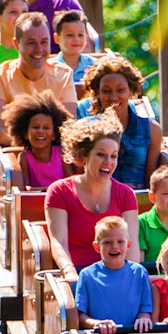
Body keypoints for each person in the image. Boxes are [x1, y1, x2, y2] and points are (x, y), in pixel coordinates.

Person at [45, 112, 140, 282]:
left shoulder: (126, 195)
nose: (108, 162)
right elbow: (59, 241)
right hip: (76, 275)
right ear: (84, 156)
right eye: (101, 154)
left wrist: (128, 278)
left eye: (113, 156)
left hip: (115, 276)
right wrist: (69, 271)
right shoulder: (59, 191)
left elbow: (131, 245)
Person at [0, 12, 78, 145]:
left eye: (44, 42)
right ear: (16, 44)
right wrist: (36, 146)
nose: (39, 49)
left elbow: (67, 126)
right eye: (31, 43)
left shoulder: (63, 75)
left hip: (53, 155)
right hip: (13, 156)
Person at [80, 55, 163, 189]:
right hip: (99, 203)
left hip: (138, 201)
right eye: (106, 91)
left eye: (120, 90)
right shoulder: (85, 129)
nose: (113, 97)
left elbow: (151, 181)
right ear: (97, 93)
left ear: (131, 90)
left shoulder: (152, 130)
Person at [76, 216, 154, 334]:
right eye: (107, 242)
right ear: (97, 247)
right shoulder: (87, 275)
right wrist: (97, 323)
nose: (114, 246)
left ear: (128, 245)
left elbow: (146, 309)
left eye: (120, 242)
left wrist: (144, 317)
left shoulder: (139, 272)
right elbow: (80, 316)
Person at [1, 92, 74, 188]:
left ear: (55, 134)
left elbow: (71, 182)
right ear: (25, 134)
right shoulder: (24, 157)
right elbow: (26, 188)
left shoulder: (62, 153)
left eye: (46, 128)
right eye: (35, 127)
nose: (40, 131)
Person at [50, 9, 96, 82]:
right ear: (57, 38)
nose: (76, 39)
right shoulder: (50, 68)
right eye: (70, 35)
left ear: (86, 37)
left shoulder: (94, 66)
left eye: (80, 35)